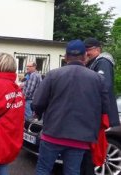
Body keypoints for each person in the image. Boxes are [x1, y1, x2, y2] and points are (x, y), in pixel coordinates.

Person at [32, 39, 110, 175]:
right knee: (72, 172)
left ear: (66, 57)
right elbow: (105, 108)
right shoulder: (98, 79)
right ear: (85, 56)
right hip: (80, 138)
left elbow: (37, 103)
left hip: (53, 134)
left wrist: (38, 113)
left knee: (43, 169)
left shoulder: (53, 75)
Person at [80, 38, 120, 174]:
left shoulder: (102, 62)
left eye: (88, 50)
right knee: (90, 153)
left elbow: (103, 85)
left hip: (98, 116)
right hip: (95, 116)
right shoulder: (93, 63)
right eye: (85, 50)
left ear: (98, 49)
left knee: (93, 153)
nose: (86, 53)